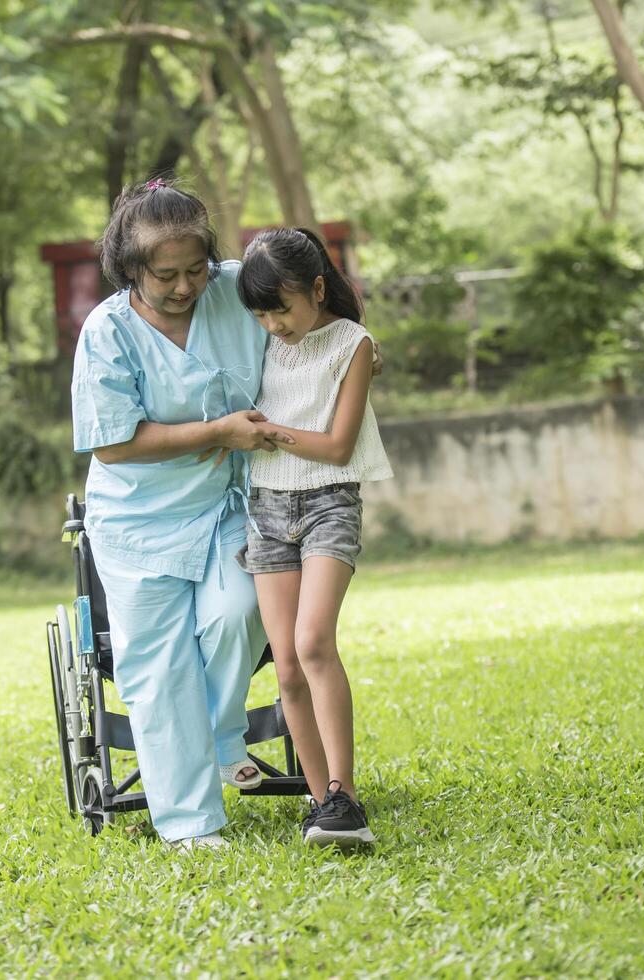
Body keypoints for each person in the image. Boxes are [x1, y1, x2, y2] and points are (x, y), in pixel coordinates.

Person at [70, 179, 292, 850]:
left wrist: (352, 346)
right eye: (164, 275)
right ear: (129, 269)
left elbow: (307, 311)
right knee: (158, 667)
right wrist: (217, 432)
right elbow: (112, 443)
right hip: (137, 523)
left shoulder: (234, 289)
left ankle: (223, 739)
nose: (183, 286)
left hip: (227, 505)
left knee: (237, 613)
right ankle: (191, 826)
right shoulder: (107, 332)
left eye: (195, 268)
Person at [232, 227, 394, 847]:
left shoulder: (352, 344)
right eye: (262, 312)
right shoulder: (259, 338)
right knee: (288, 668)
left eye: (283, 308)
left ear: (318, 288)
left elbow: (336, 446)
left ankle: (345, 797)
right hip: (266, 509)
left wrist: (267, 431)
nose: (272, 324)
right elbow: (221, 277)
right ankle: (321, 802)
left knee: (313, 642)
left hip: (330, 504)